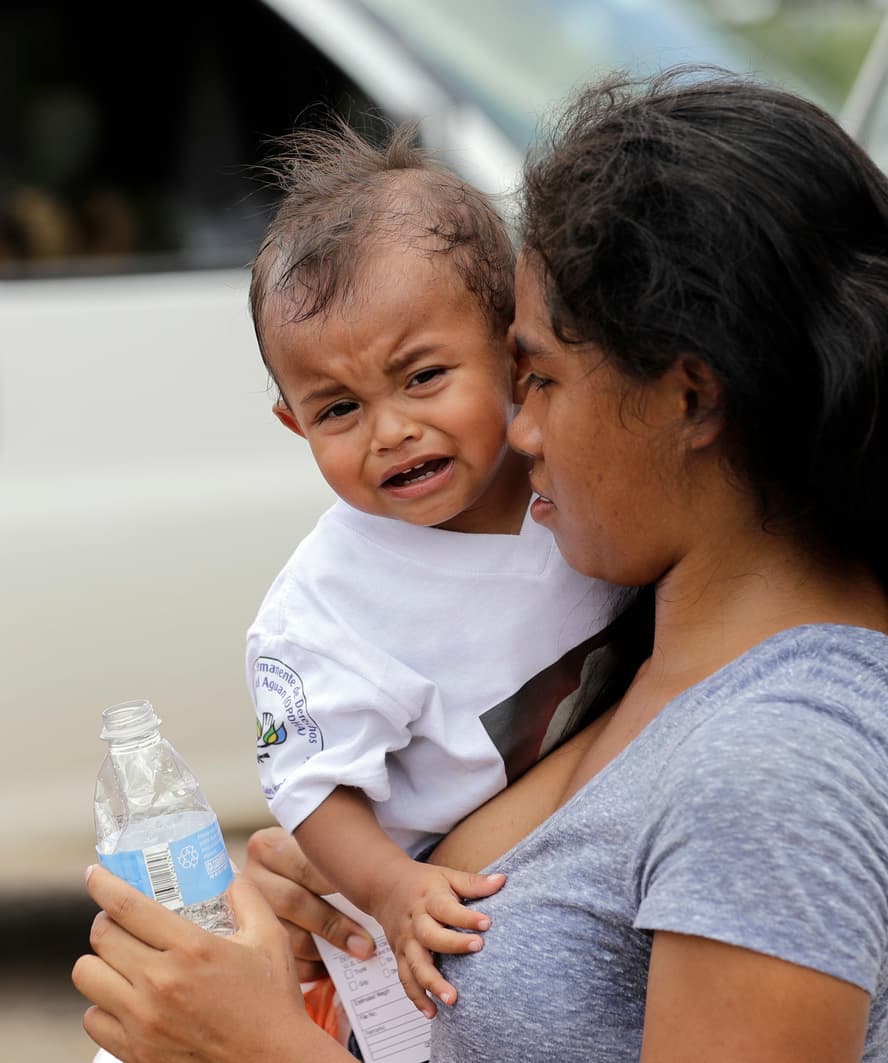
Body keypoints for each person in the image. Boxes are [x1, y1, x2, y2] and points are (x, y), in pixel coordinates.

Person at [73, 69, 888, 1063]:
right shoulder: (650, 656)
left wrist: (263, 1049)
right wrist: (351, 894)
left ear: (692, 398)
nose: (515, 433)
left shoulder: (781, 767)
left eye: (533, 376)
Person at [243, 119, 619, 1014]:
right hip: (399, 939)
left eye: (422, 377)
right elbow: (312, 790)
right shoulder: (326, 607)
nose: (391, 430)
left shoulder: (587, 483)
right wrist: (388, 890)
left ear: (512, 347)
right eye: (338, 409)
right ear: (295, 425)